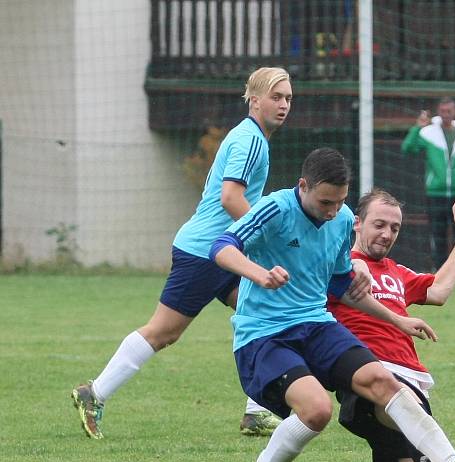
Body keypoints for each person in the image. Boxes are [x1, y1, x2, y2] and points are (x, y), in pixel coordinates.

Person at [210, 148, 455, 462]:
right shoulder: (276, 208)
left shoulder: (343, 219)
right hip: (265, 333)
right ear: (303, 186)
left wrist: (397, 320)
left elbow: (342, 285)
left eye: (340, 202)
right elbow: (222, 247)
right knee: (316, 411)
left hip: (316, 324)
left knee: (382, 379)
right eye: (325, 201)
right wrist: (258, 274)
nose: (332, 211)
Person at [71, 67, 293, 439]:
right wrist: (264, 237)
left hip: (221, 248)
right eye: (276, 97)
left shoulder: (252, 137)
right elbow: (231, 198)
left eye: (288, 97)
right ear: (254, 101)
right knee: (163, 332)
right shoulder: (250, 140)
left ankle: (258, 410)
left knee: (268, 310)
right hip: (207, 252)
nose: (284, 104)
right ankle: (93, 393)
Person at [305, 190, 455, 462]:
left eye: (394, 228)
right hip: (368, 373)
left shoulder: (396, 271)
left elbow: (437, 292)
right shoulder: (337, 266)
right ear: (357, 223)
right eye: (379, 225)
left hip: (412, 378)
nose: (387, 234)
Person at [401, 97, 455, 270]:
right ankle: (440, 269)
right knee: (438, 233)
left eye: (449, 111)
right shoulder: (428, 132)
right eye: (442, 111)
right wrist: (417, 127)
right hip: (436, 193)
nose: (445, 115)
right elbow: (407, 148)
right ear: (438, 112)